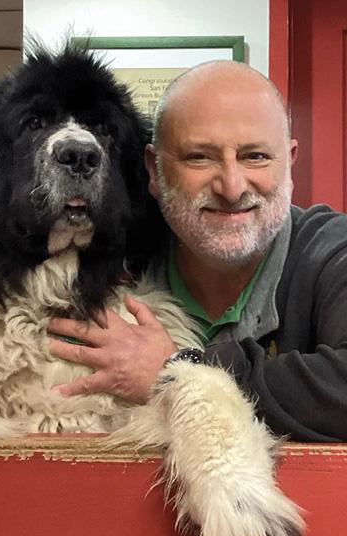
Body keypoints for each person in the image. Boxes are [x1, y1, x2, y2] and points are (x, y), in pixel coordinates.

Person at [48, 59, 347, 442]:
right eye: (199, 157)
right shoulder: (108, 265)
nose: (232, 187)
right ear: (154, 171)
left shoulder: (332, 250)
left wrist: (175, 371)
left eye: (255, 156)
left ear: (289, 163)